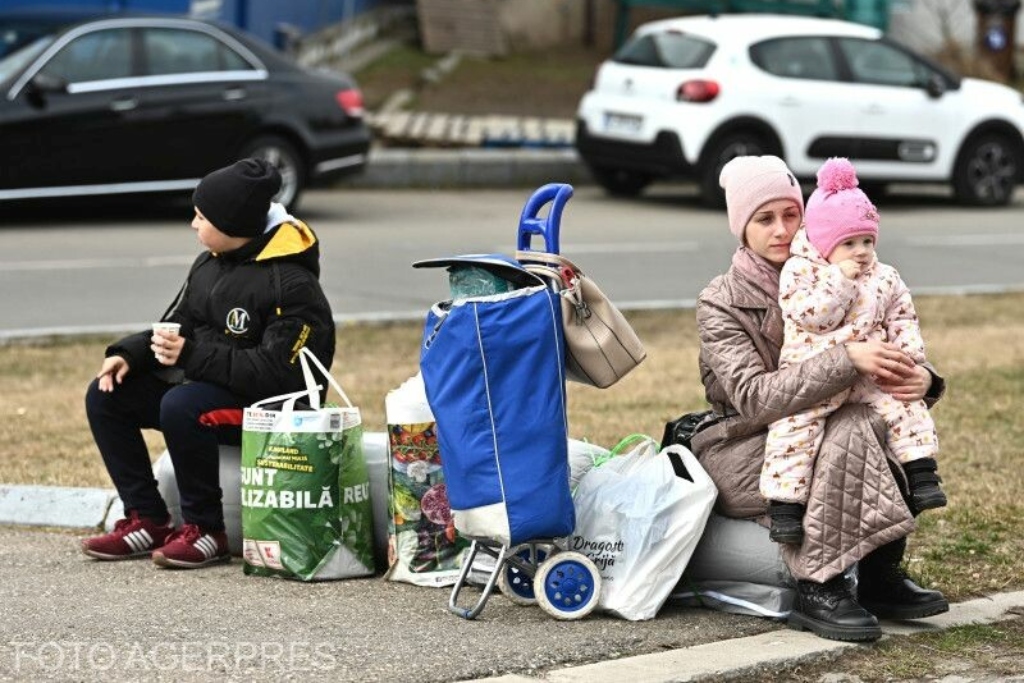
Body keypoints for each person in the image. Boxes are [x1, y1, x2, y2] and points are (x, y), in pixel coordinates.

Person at [691, 155, 948, 643]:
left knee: (866, 420)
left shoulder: (842, 270)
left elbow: (892, 328)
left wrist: (924, 379)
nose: (782, 230)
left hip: (830, 427)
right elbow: (752, 397)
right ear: (740, 227)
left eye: (792, 214)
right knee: (853, 425)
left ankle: (875, 577)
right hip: (746, 446)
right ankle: (822, 586)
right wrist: (848, 360)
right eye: (764, 219)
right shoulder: (720, 301)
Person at [81, 158, 336, 569]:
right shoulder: (210, 263)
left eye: (201, 216)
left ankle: (206, 531)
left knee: (182, 405)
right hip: (213, 387)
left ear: (231, 223)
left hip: (275, 409)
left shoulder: (291, 284)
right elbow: (178, 325)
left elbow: (276, 374)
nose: (193, 225)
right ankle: (147, 518)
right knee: (107, 395)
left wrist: (192, 356)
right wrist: (130, 353)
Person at [762, 158, 945, 545]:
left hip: (869, 373)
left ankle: (922, 471)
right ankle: (785, 508)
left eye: (867, 241)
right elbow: (813, 317)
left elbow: (902, 314)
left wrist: (911, 358)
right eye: (849, 243)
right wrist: (838, 280)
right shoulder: (802, 272)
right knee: (794, 431)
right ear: (826, 243)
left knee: (903, 404)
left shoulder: (884, 274)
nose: (860, 252)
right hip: (815, 371)